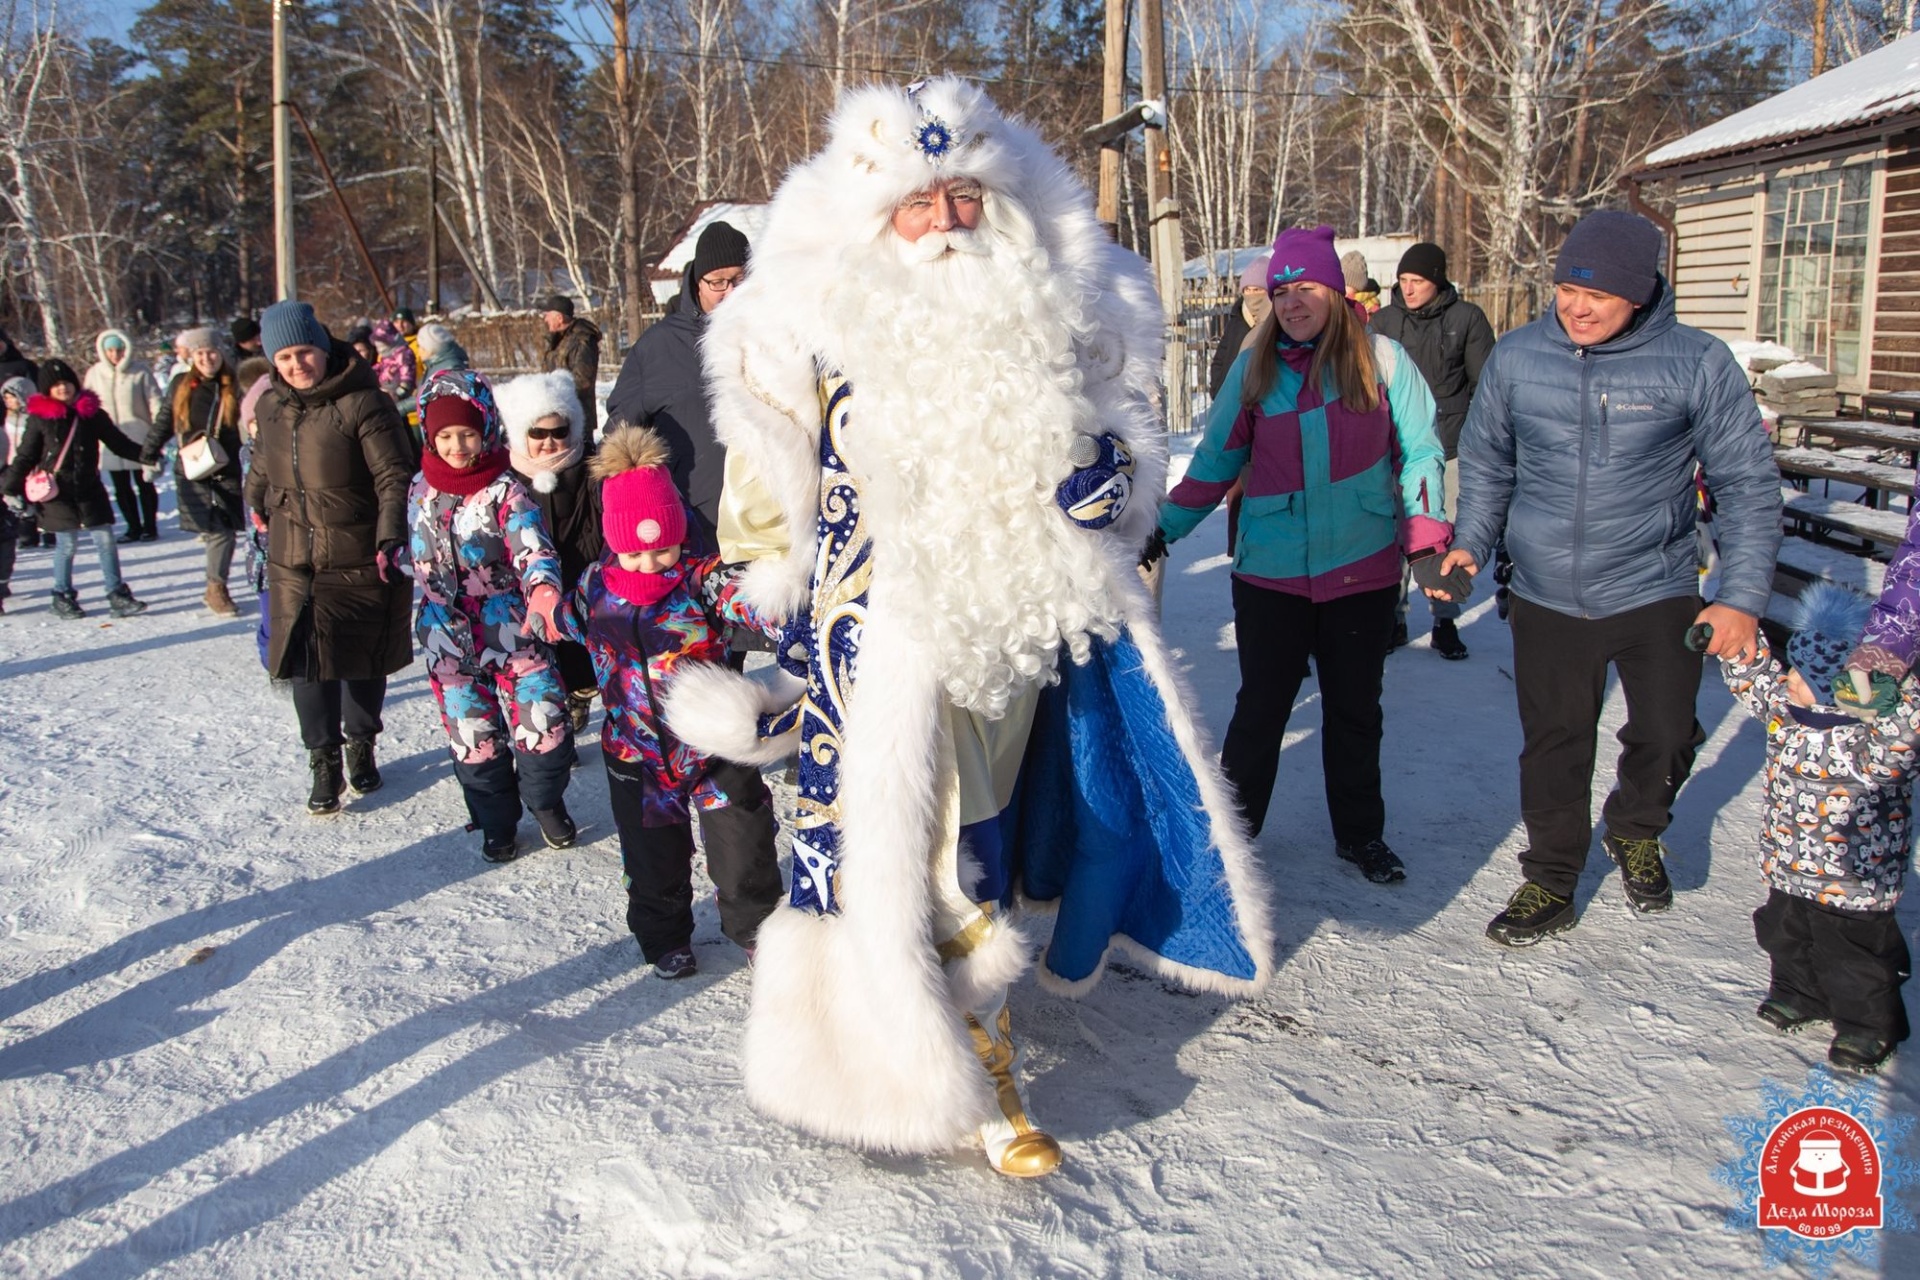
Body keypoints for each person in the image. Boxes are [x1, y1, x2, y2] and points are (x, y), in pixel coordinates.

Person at [674, 77, 1271, 1178]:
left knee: (988, 847)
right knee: (905, 858)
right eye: (918, 205)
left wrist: (1114, 486)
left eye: (962, 198)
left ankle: (944, 1042)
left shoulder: (1056, 316)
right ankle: (966, 1070)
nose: (946, 224)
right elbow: (766, 503)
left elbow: (1124, 447)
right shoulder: (811, 337)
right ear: (876, 223)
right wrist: (771, 595)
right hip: (878, 648)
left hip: (1020, 644)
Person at [1434, 209, 1782, 946]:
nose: (1578, 307)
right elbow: (1491, 463)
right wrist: (1470, 542)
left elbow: (1747, 484)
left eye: (1598, 294)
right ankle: (1550, 878)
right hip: (1545, 590)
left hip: (1654, 585)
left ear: (1643, 291)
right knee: (1554, 741)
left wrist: (1742, 598)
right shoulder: (1520, 356)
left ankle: (1634, 826)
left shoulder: (1696, 361)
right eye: (1566, 288)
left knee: (1667, 733)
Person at [1149, 224, 1447, 888]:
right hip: (1272, 573)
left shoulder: (1384, 361)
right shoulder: (1255, 369)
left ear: (1337, 294)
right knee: (1260, 710)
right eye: (1282, 292)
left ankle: (1361, 835)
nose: (1292, 303)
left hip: (1361, 567)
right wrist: (1161, 528)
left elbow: (1420, 450)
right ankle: (1231, 840)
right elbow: (1213, 463)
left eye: (1306, 287)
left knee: (1354, 711)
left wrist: (1426, 533)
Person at [550, 426, 782, 976]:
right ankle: (664, 937)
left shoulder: (701, 582)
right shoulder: (593, 587)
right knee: (651, 860)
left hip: (714, 746)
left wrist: (785, 603)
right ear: (614, 542)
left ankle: (758, 933)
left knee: (743, 846)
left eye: (664, 547)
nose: (651, 562)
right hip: (635, 756)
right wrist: (545, 615)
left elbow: (753, 602)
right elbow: (564, 618)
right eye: (635, 551)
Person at [1716, 583, 1913, 1075]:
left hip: (1853, 879)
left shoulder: (1869, 739)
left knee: (1852, 956)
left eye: (1800, 676)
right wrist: (1740, 649)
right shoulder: (1789, 716)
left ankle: (1868, 1027)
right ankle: (1798, 994)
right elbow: (1757, 681)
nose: (1788, 681)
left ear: (1835, 689)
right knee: (1784, 933)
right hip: (1790, 864)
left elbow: (1903, 734)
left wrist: (1893, 696)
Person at [248, 300, 416, 815]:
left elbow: (393, 474)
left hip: (357, 552)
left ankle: (361, 742)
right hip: (292, 553)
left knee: (361, 659)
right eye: (284, 358)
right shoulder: (270, 406)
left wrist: (390, 536)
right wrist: (255, 501)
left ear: (323, 349)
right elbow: (262, 463)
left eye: (304, 353)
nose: (296, 365)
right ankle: (323, 761)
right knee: (305, 664)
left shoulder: (365, 403)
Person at [409, 370, 575, 862]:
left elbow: (533, 548)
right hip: (447, 639)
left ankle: (545, 804)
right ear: (430, 438)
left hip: (513, 629)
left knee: (543, 728)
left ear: (484, 430)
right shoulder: (419, 488)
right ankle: (497, 823)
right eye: (445, 436)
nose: (457, 446)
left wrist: (544, 590)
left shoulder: (507, 491)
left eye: (466, 434)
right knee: (473, 741)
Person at [1370, 242, 1496, 660]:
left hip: (1451, 443)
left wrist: (1477, 437)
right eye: (1403, 281)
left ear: (1437, 281)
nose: (1408, 289)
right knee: (1394, 535)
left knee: (1439, 535)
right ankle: (1394, 618)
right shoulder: (1384, 322)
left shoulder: (1467, 319)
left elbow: (1486, 387)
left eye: (1417, 281)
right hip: (1393, 446)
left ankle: (1446, 619)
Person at [605, 221, 748, 553]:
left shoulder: (778, 335)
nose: (732, 292)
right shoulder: (659, 346)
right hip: (694, 528)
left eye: (741, 279)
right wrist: (643, 502)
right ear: (697, 282)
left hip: (771, 530)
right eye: (718, 282)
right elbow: (620, 435)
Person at [0, 360, 149, 618]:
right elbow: (25, 455)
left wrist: (149, 455)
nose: (63, 388)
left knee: (105, 540)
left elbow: (118, 443)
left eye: (67, 383)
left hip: (89, 488)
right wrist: (10, 487)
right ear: (47, 389)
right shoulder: (40, 419)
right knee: (66, 545)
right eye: (56, 385)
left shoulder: (91, 414)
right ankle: (62, 595)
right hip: (57, 492)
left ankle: (117, 593)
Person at [498, 370, 603, 734]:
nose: (549, 442)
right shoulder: (505, 482)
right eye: (537, 433)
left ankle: (578, 695)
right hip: (527, 591)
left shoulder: (594, 471)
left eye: (559, 431)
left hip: (582, 580)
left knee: (580, 663)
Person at [145, 328, 247, 617]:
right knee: (218, 530)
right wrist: (149, 453)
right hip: (194, 466)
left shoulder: (233, 383)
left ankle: (215, 586)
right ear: (191, 356)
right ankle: (216, 588)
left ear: (221, 353)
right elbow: (166, 420)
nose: (207, 358)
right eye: (200, 353)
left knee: (225, 529)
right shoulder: (181, 383)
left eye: (212, 351)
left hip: (227, 465)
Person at [85, 330, 160, 544]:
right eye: (110, 350)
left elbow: (155, 402)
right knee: (121, 487)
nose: (115, 354)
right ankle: (132, 526)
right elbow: (87, 405)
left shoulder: (140, 372)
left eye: (119, 350)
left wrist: (157, 433)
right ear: (103, 351)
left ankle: (150, 526)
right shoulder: (95, 374)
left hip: (139, 437)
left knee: (144, 484)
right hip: (109, 440)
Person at [1210, 253, 1272, 399]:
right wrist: (1217, 390)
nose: (1251, 295)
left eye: (1257, 290)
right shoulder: (1237, 319)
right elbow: (1220, 358)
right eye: (1247, 290)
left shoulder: (1276, 323)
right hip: (1230, 398)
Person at [539, 294, 601, 437]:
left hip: (577, 416)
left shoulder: (582, 340)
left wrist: (556, 393)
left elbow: (582, 380)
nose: (545, 319)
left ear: (559, 318)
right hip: (558, 415)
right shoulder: (559, 339)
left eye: (548, 315)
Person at [3, 375, 45, 552]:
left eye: (11, 397)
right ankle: (27, 534)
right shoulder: (7, 418)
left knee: (40, 499)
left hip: (32, 465)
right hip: (13, 465)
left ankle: (48, 530)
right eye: (5, 398)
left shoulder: (34, 417)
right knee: (20, 503)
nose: (8, 401)